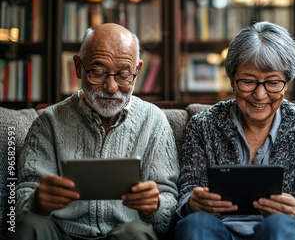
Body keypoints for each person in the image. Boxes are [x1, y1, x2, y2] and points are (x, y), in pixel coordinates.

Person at [8, 23, 179, 240]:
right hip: (61, 233)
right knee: (30, 225)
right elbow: (19, 206)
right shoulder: (48, 122)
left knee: (136, 233)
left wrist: (155, 206)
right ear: (78, 67)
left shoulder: (154, 121)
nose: (111, 87)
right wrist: (37, 202)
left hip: (124, 234)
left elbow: (170, 206)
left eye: (124, 75)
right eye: (98, 73)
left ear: (138, 70)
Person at [174, 21, 295, 240]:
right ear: (232, 80)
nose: (260, 95)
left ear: (286, 83)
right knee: (195, 226)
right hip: (219, 229)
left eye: (272, 82)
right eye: (248, 81)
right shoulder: (204, 124)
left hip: (283, 229)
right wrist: (192, 203)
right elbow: (187, 189)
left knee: (278, 227)